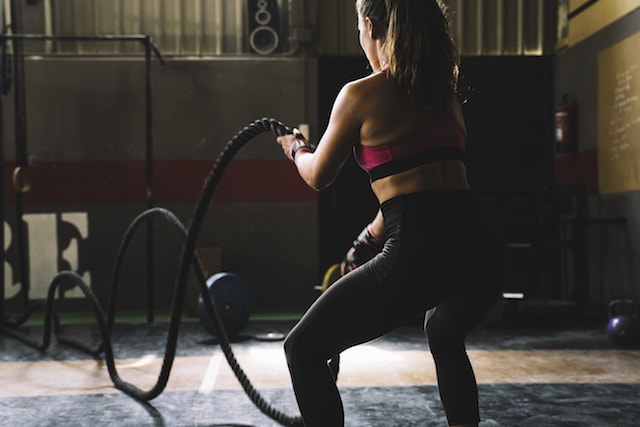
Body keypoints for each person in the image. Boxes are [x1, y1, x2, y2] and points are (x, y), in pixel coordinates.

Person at [275, 0, 508, 425]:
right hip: (483, 247)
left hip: (421, 249)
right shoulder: (444, 97)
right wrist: (367, 239)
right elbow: (426, 191)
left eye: (359, 30)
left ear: (370, 26)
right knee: (443, 333)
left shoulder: (359, 95)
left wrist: (296, 149)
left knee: (302, 349)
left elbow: (318, 176)